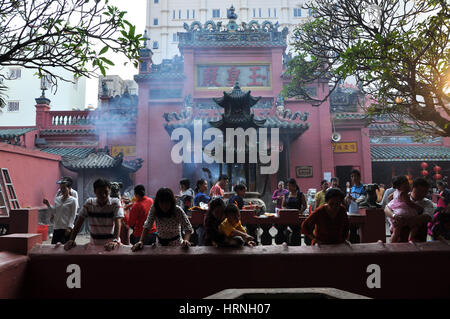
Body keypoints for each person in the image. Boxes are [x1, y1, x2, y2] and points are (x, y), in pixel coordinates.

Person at [64, 178, 124, 251]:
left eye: (106, 192)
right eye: (100, 192)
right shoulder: (89, 203)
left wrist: (115, 241)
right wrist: (71, 239)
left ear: (109, 191)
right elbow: (79, 222)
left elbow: (118, 222)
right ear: (95, 192)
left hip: (111, 245)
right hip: (94, 245)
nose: (104, 195)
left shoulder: (115, 203)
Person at [385, 176, 424, 243]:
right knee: (415, 225)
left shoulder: (396, 192)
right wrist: (418, 207)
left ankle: (391, 242)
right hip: (404, 212)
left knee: (396, 231)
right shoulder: (404, 193)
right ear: (399, 186)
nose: (407, 186)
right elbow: (409, 203)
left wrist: (395, 203)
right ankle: (411, 237)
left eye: (407, 184)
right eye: (405, 184)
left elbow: (389, 198)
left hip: (397, 211)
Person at [43, 179, 78, 244]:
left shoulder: (73, 200)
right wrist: (48, 204)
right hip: (57, 227)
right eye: (61, 188)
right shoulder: (57, 199)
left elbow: (73, 215)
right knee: (54, 248)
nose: (62, 190)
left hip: (66, 228)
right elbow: (54, 211)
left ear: (69, 188)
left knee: (65, 249)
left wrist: (69, 227)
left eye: (64, 188)